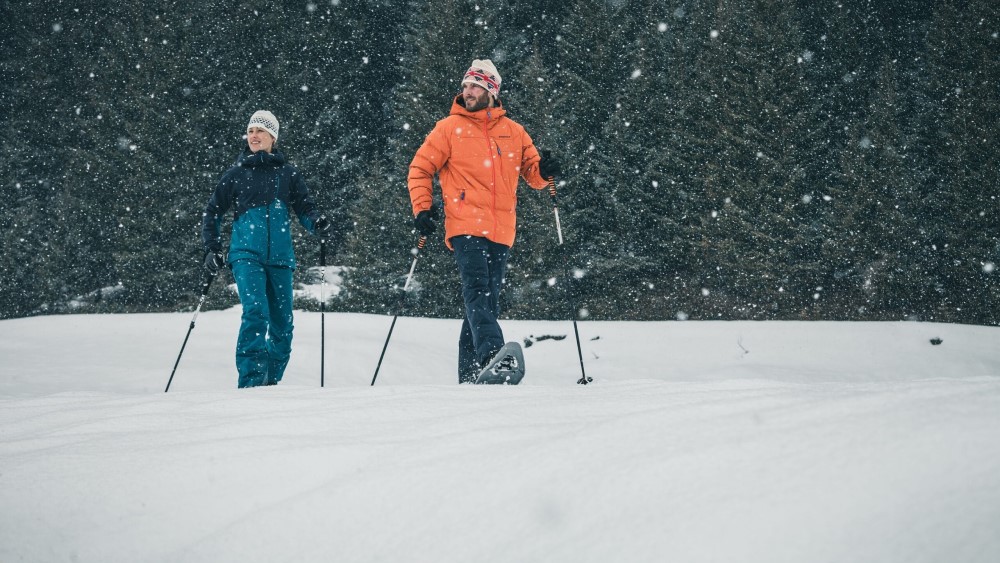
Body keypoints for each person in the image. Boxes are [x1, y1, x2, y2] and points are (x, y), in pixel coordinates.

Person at [407, 59, 562, 383]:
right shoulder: (448, 128)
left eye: (475, 86)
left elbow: (534, 175)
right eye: (465, 86)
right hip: (465, 225)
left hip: (502, 229)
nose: (468, 91)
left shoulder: (514, 132)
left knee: (485, 299)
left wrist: (546, 170)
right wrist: (422, 209)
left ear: (491, 90)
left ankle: (471, 375)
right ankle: (493, 355)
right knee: (478, 290)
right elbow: (420, 168)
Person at [202, 110, 332, 388]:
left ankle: (269, 385)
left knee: (283, 327)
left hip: (281, 259)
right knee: (255, 312)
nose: (254, 136)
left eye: (260, 130)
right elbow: (213, 211)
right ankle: (250, 384)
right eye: (250, 131)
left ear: (273, 136)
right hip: (246, 255)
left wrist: (316, 222)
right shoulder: (236, 174)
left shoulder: (288, 174)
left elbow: (305, 207)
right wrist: (212, 248)